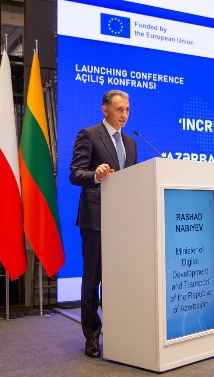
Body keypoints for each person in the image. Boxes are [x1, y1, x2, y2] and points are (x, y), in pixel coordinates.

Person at [69, 90, 138, 358]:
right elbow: (75, 173)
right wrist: (95, 175)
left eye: (127, 110)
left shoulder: (131, 142)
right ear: (105, 109)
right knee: (93, 280)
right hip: (96, 219)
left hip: (123, 221)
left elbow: (134, 177)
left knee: (118, 279)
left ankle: (119, 332)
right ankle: (91, 336)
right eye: (119, 109)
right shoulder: (89, 135)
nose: (124, 115)